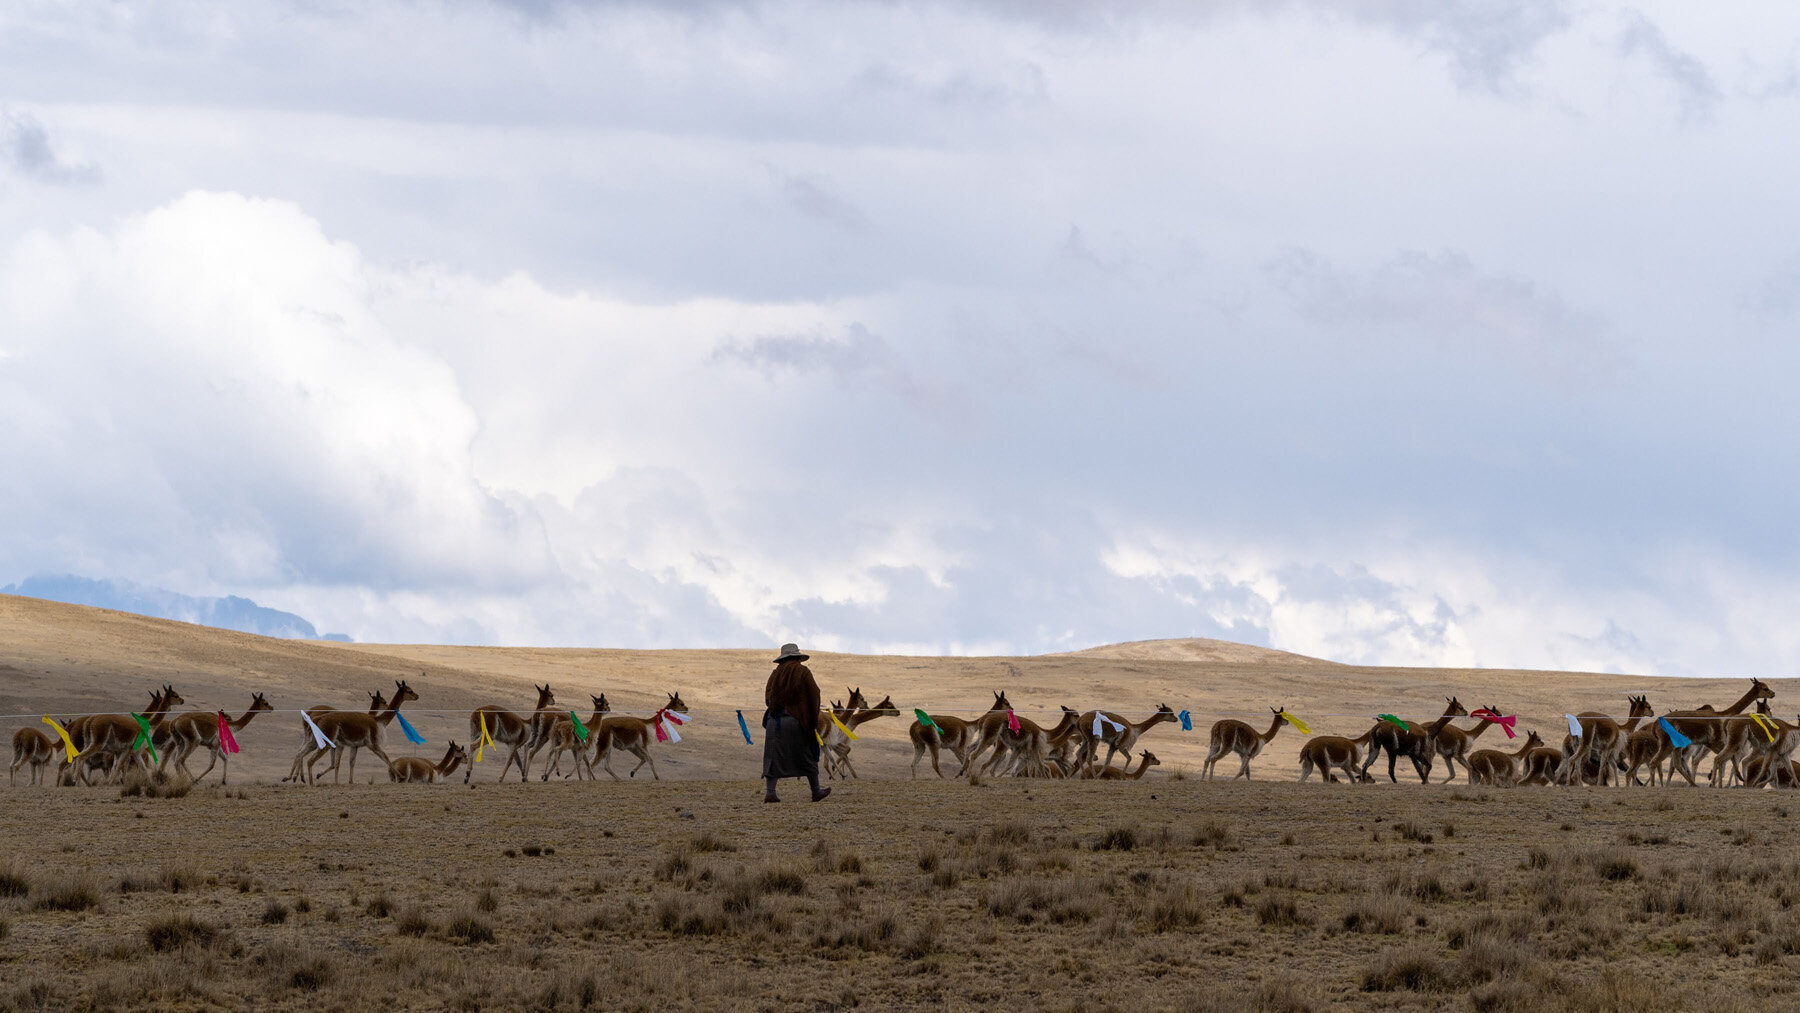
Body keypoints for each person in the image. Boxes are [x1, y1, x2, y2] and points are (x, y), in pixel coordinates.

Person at [762, 643, 830, 803]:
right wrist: (809, 718)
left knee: (773, 756)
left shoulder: (775, 674)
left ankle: (770, 793)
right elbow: (815, 695)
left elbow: (767, 699)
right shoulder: (803, 672)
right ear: (797, 657)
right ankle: (816, 791)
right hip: (796, 722)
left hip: (774, 723)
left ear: (783, 659)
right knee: (807, 754)